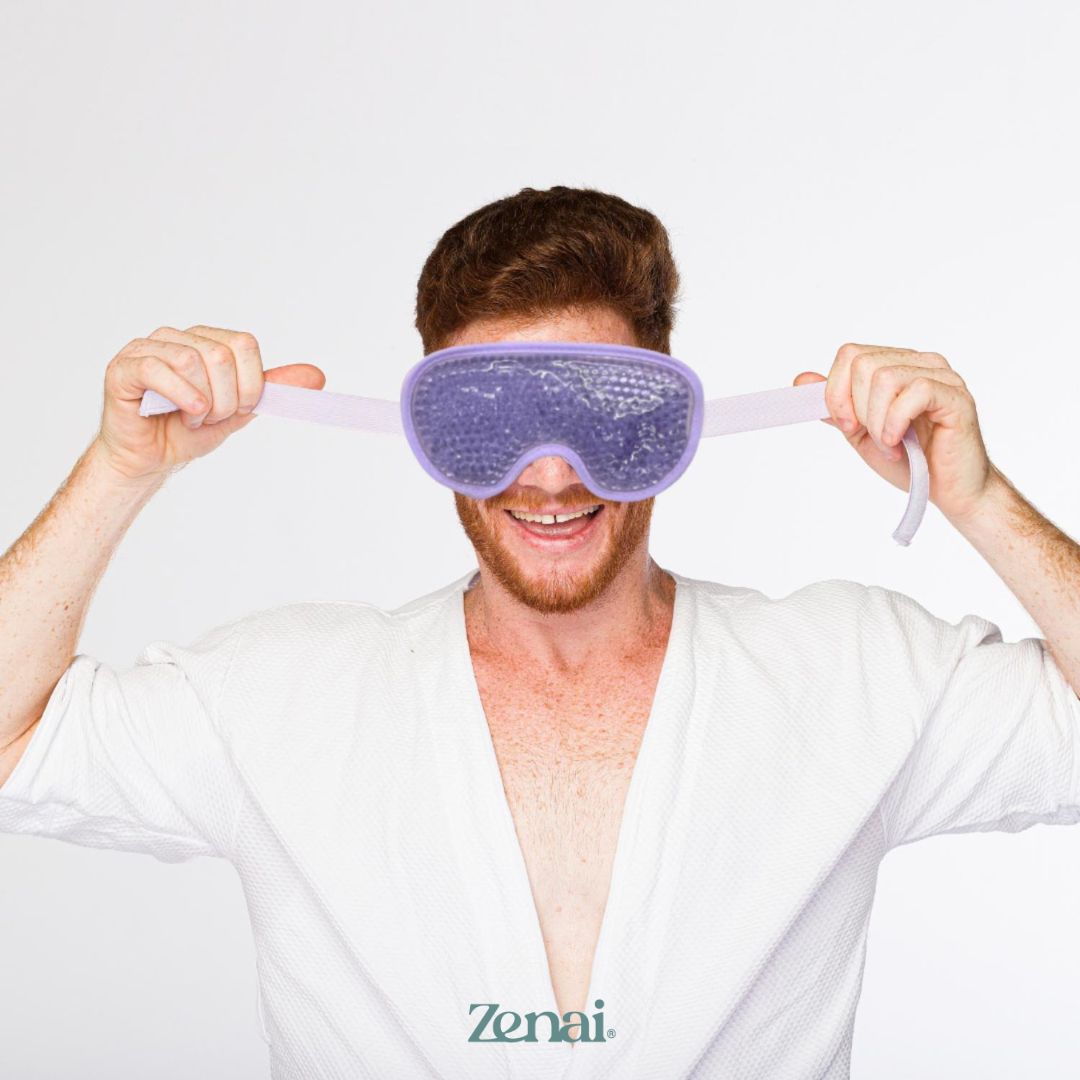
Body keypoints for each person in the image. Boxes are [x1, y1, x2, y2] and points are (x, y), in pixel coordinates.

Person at [0, 185, 1077, 1080]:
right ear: (427, 429)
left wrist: (976, 495)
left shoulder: (854, 677)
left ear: (672, 422)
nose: (552, 475)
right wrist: (120, 469)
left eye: (603, 415)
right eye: (491, 423)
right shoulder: (280, 697)